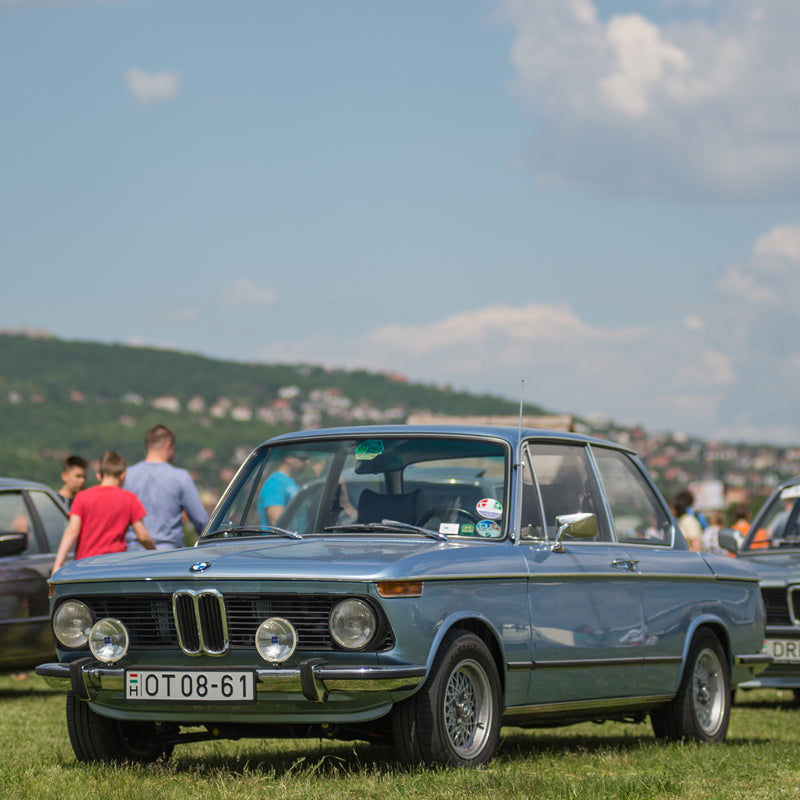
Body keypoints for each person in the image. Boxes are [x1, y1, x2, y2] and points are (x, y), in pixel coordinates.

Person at [51, 450, 155, 573]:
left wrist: (58, 564)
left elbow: (72, 531)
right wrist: (155, 553)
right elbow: (142, 536)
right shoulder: (130, 499)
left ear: (99, 475)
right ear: (122, 475)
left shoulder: (82, 497)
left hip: (84, 567)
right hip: (115, 568)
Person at [124, 424, 209, 551]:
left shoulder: (127, 476)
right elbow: (200, 520)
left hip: (133, 554)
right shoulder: (180, 477)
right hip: (169, 554)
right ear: (168, 445)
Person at [257, 451, 310, 525]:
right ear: (287, 459)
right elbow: (277, 521)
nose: (307, 462)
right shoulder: (275, 483)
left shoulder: (289, 482)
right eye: (302, 458)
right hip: (285, 536)